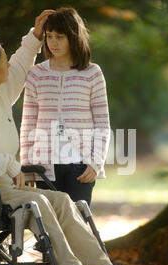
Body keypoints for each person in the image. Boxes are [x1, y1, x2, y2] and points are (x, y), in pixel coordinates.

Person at [0, 10, 139, 265]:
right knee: (38, 202)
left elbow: (19, 67)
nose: (11, 65)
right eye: (4, 60)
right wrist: (13, 165)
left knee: (64, 202)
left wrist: (34, 36)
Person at [19, 8, 110, 206]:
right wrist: (26, 167)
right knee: (49, 227)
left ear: (73, 37)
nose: (53, 42)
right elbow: (28, 124)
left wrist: (95, 163)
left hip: (81, 165)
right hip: (44, 167)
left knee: (77, 223)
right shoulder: (36, 74)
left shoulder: (92, 73)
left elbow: (102, 123)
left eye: (59, 37)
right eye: (49, 36)